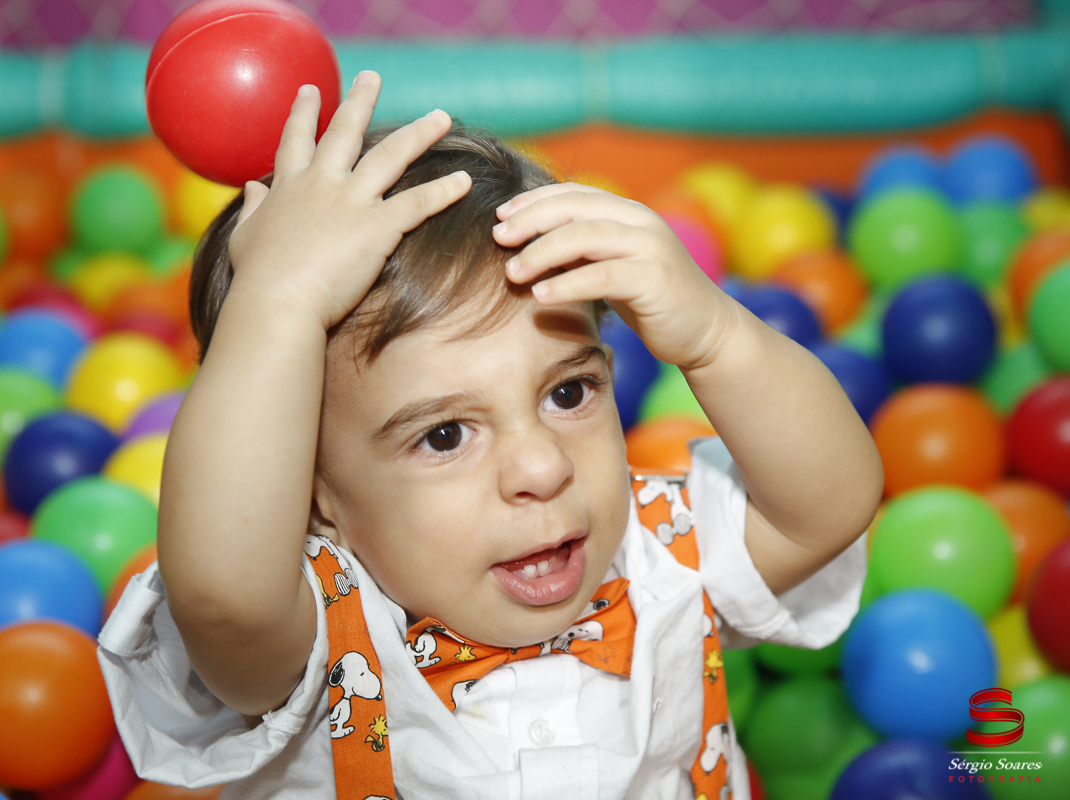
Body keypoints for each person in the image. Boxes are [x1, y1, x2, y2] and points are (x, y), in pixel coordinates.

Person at [96, 70, 884, 799]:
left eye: (568, 392)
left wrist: (714, 335)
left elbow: (828, 503)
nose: (541, 466)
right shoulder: (319, 633)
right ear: (312, 490)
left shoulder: (659, 555)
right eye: (444, 437)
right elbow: (223, 596)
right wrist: (279, 300)